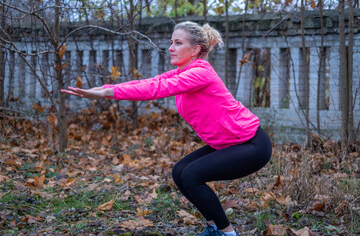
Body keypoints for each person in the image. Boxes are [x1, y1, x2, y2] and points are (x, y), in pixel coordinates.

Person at [61, 21, 272, 236]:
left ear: (195, 50)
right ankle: (213, 227)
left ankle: (227, 233)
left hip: (251, 144)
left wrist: (106, 94)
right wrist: (102, 89)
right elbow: (150, 81)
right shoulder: (182, 72)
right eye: (171, 42)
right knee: (180, 172)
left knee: (191, 175)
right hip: (231, 142)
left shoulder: (200, 73)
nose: (170, 47)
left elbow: (157, 89)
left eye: (178, 43)